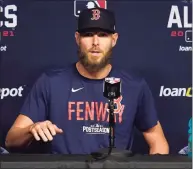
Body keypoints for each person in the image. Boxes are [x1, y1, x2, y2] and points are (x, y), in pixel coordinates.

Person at [5, 8, 169, 154]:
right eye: (88, 34)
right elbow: (11, 141)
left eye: (103, 35)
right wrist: (31, 130)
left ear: (114, 39)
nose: (95, 43)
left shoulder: (134, 85)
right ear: (77, 38)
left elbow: (158, 141)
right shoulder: (50, 82)